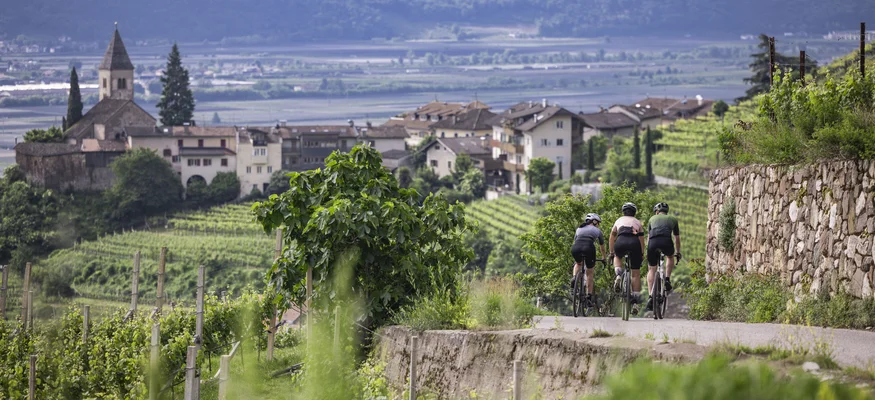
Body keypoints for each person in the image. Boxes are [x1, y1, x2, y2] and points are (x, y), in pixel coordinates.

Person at [608, 202, 646, 307]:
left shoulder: (619, 220)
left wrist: (612, 252)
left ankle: (618, 274)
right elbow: (641, 239)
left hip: (621, 241)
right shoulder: (637, 222)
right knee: (636, 274)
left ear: (623, 212)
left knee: (617, 256)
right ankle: (635, 302)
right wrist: (642, 253)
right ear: (634, 212)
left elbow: (612, 237)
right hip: (634, 243)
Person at [645, 202, 682, 311]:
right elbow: (677, 238)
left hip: (653, 243)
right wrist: (678, 252)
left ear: (657, 212)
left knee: (651, 269)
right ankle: (667, 279)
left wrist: (648, 251)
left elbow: (649, 237)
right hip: (666, 241)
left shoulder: (652, 219)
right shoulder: (673, 219)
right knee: (670, 257)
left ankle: (650, 295)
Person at [571, 213, 607, 304]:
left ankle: (574, 278)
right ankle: (589, 297)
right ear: (594, 222)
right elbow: (602, 247)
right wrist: (604, 258)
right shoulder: (597, 231)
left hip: (576, 248)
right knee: (590, 272)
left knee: (578, 263)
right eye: (598, 223)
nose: (598, 225)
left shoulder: (579, 229)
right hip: (589, 248)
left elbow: (575, 241)